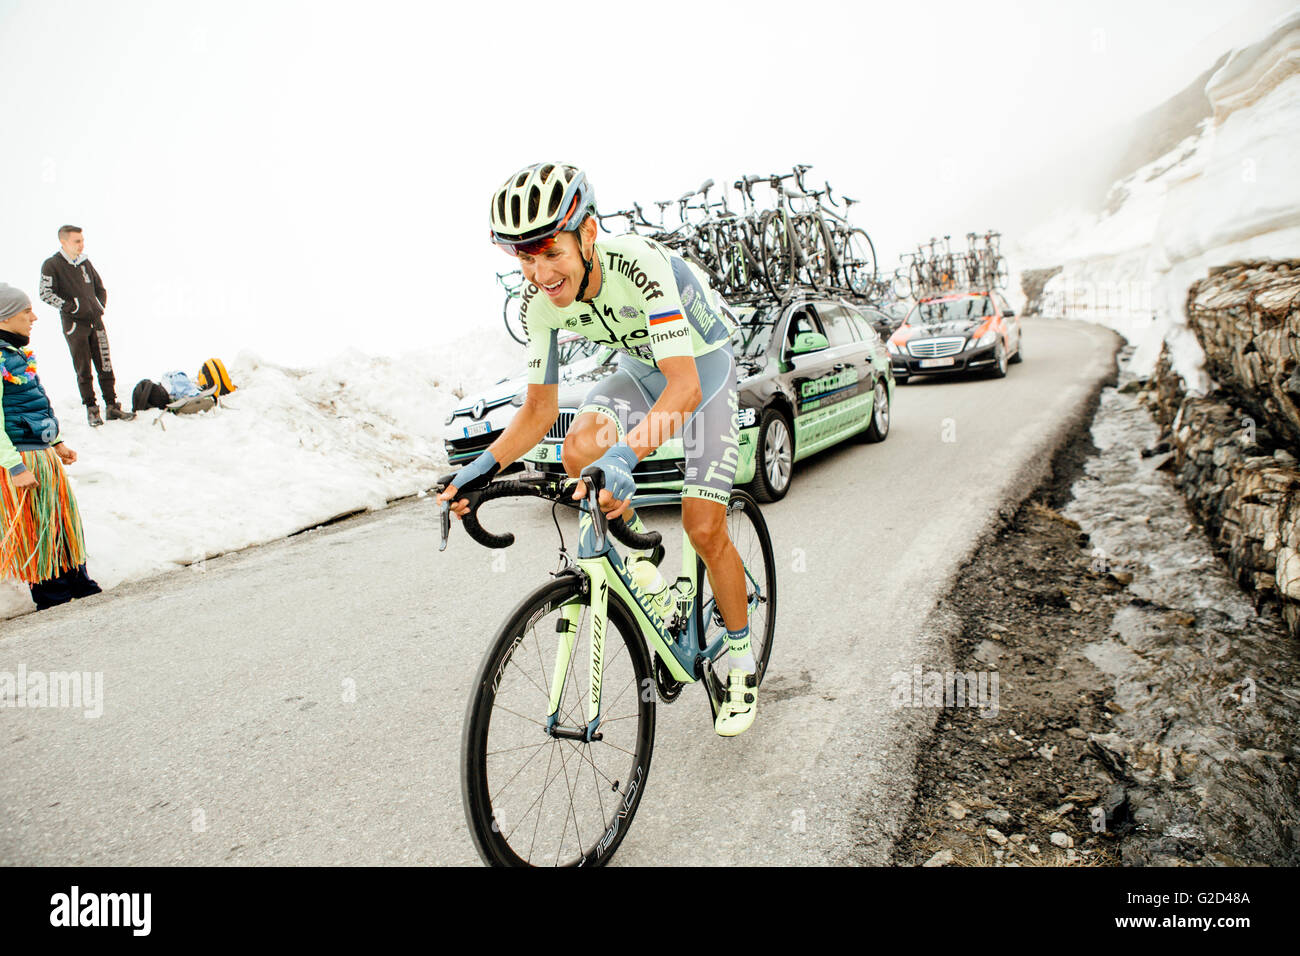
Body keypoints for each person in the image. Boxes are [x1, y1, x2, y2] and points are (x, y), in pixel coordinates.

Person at [437, 162, 759, 736]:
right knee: (578, 448)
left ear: (587, 235)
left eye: (548, 252)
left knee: (703, 527)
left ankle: (739, 661)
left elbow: (684, 387)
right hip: (640, 371)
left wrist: (625, 458)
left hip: (703, 374)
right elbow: (538, 412)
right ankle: (642, 565)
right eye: (524, 258)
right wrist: (477, 470)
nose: (539, 273)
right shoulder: (540, 303)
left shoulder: (640, 265)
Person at [0, 283, 101, 610]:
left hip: (40, 452)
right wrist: (14, 467)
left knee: (58, 517)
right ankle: (49, 588)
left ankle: (74, 576)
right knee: (38, 525)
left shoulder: (15, 355)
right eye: (26, 310)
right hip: (20, 457)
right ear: (4, 316)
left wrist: (55, 442)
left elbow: (32, 405)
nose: (34, 317)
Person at [39, 225, 134, 426]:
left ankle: (112, 406)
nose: (81, 245)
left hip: (96, 322)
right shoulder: (51, 265)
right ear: (63, 242)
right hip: (75, 325)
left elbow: (100, 287)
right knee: (83, 368)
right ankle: (92, 410)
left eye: (82, 240)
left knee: (105, 364)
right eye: (77, 241)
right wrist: (71, 308)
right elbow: (45, 293)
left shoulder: (85, 263)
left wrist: (98, 306)